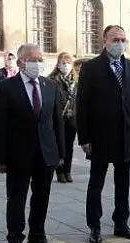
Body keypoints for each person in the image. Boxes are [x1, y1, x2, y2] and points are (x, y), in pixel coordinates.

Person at [0, 43, 65, 243]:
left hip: (46, 152)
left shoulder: (50, 85)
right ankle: (15, 238)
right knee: (17, 198)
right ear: (22, 61)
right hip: (18, 154)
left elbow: (56, 121)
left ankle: (37, 235)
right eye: (34, 59)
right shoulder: (6, 88)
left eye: (41, 59)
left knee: (42, 195)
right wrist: (0, 158)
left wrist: (60, 153)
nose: (38, 63)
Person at [76, 25, 130, 243]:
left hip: (126, 136)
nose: (119, 43)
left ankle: (121, 223)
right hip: (100, 137)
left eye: (123, 39)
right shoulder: (92, 68)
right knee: (96, 182)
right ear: (105, 41)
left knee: (123, 182)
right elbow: (83, 104)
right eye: (115, 39)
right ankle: (94, 225)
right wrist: (84, 138)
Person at [48, 52, 77, 183]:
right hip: (58, 118)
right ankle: (59, 172)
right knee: (59, 144)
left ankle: (68, 170)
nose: (66, 65)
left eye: (68, 63)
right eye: (63, 63)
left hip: (71, 118)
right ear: (58, 65)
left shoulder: (76, 81)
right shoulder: (52, 80)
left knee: (69, 145)